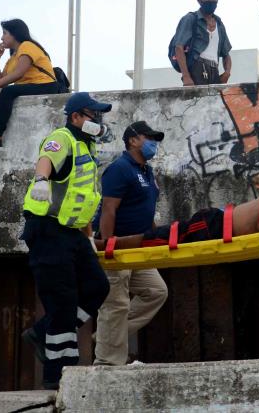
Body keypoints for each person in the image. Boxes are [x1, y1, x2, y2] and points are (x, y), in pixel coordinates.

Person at [20, 92, 112, 390]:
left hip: (73, 233)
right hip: (47, 230)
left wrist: (89, 237)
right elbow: (46, 159)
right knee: (62, 303)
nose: (98, 120)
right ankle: (59, 379)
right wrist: (42, 181)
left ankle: (42, 331)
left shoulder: (87, 146)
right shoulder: (62, 138)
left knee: (98, 286)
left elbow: (80, 197)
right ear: (76, 117)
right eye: (93, 115)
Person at [93, 121, 169, 366]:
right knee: (115, 304)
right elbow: (108, 209)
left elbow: (146, 209)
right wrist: (108, 245)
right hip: (119, 246)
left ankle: (107, 335)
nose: (153, 143)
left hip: (139, 246)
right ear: (133, 140)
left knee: (156, 291)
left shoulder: (146, 170)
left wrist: (158, 237)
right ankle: (107, 363)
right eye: (149, 137)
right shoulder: (120, 169)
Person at [94, 181, 259, 250]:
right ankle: (103, 243)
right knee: (156, 235)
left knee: (157, 238)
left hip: (214, 229)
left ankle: (104, 244)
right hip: (215, 219)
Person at [0, 19, 59, 151]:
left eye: (5, 33)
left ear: (15, 34)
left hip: (46, 85)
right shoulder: (13, 58)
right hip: (29, 86)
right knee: (5, 91)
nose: (2, 37)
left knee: (8, 92)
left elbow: (18, 73)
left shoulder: (27, 45)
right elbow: (0, 79)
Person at [172, 0, 232, 86]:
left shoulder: (219, 24)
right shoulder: (190, 19)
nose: (211, 0)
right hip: (196, 70)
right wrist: (186, 76)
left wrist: (227, 73)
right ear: (199, 0)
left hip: (215, 72)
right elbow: (178, 47)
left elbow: (226, 53)